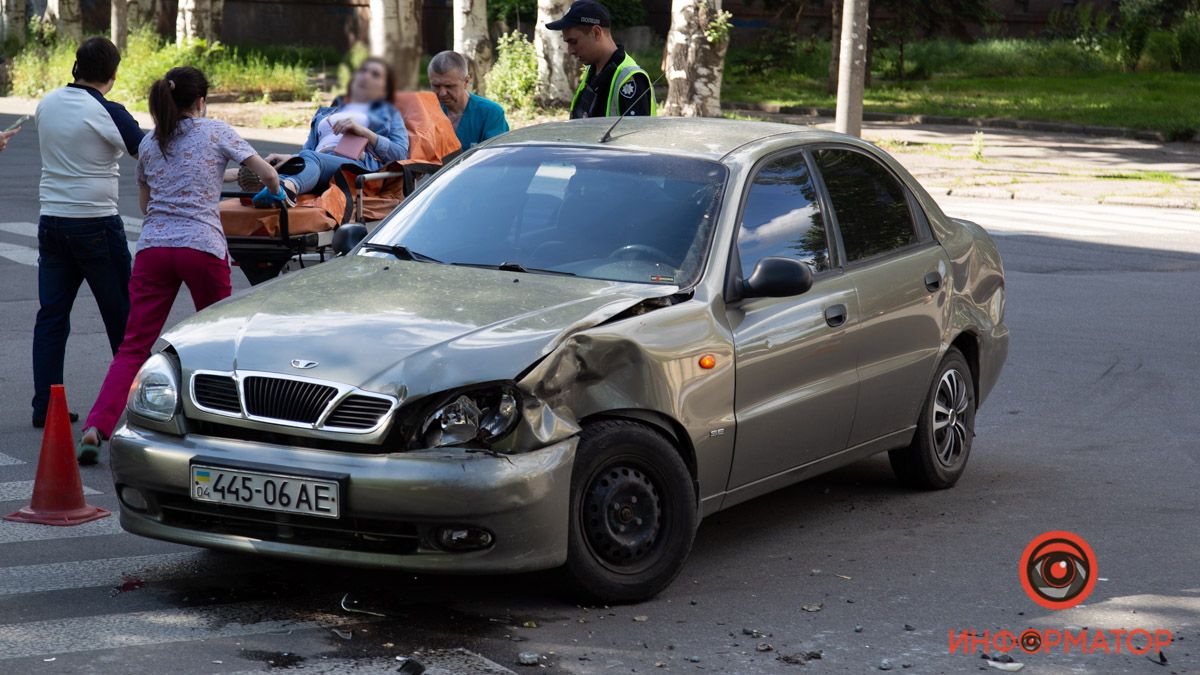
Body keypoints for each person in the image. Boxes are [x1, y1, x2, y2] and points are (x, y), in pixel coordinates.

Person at [76, 66, 281, 465]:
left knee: (133, 346)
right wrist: (277, 187)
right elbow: (267, 174)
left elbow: (146, 204)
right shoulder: (216, 131)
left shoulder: (150, 143)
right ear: (200, 101)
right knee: (220, 343)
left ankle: (96, 428)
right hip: (202, 247)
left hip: (154, 250)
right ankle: (222, 428)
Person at [32, 37, 144, 429]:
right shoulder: (107, 110)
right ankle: (134, 404)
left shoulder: (46, 103)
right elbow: (144, 151)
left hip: (51, 221)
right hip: (95, 223)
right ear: (113, 75)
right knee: (124, 319)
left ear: (75, 66)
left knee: (51, 316)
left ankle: (44, 405)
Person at [244, 57, 409, 205]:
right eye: (363, 71)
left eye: (375, 74)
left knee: (309, 159)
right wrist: (290, 158)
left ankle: (285, 190)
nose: (366, 76)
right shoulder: (327, 112)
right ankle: (265, 188)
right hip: (317, 162)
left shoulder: (389, 113)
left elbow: (400, 154)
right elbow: (308, 151)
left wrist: (365, 132)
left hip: (355, 169)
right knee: (284, 163)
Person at [547, 0, 655, 119]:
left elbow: (636, 135)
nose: (570, 51)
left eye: (574, 42)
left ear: (596, 33)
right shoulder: (592, 71)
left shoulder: (630, 79)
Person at [428, 50, 509, 150]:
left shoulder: (491, 113)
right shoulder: (426, 112)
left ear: (466, 81)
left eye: (449, 86)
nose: (442, 93)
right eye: (436, 86)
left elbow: (495, 157)